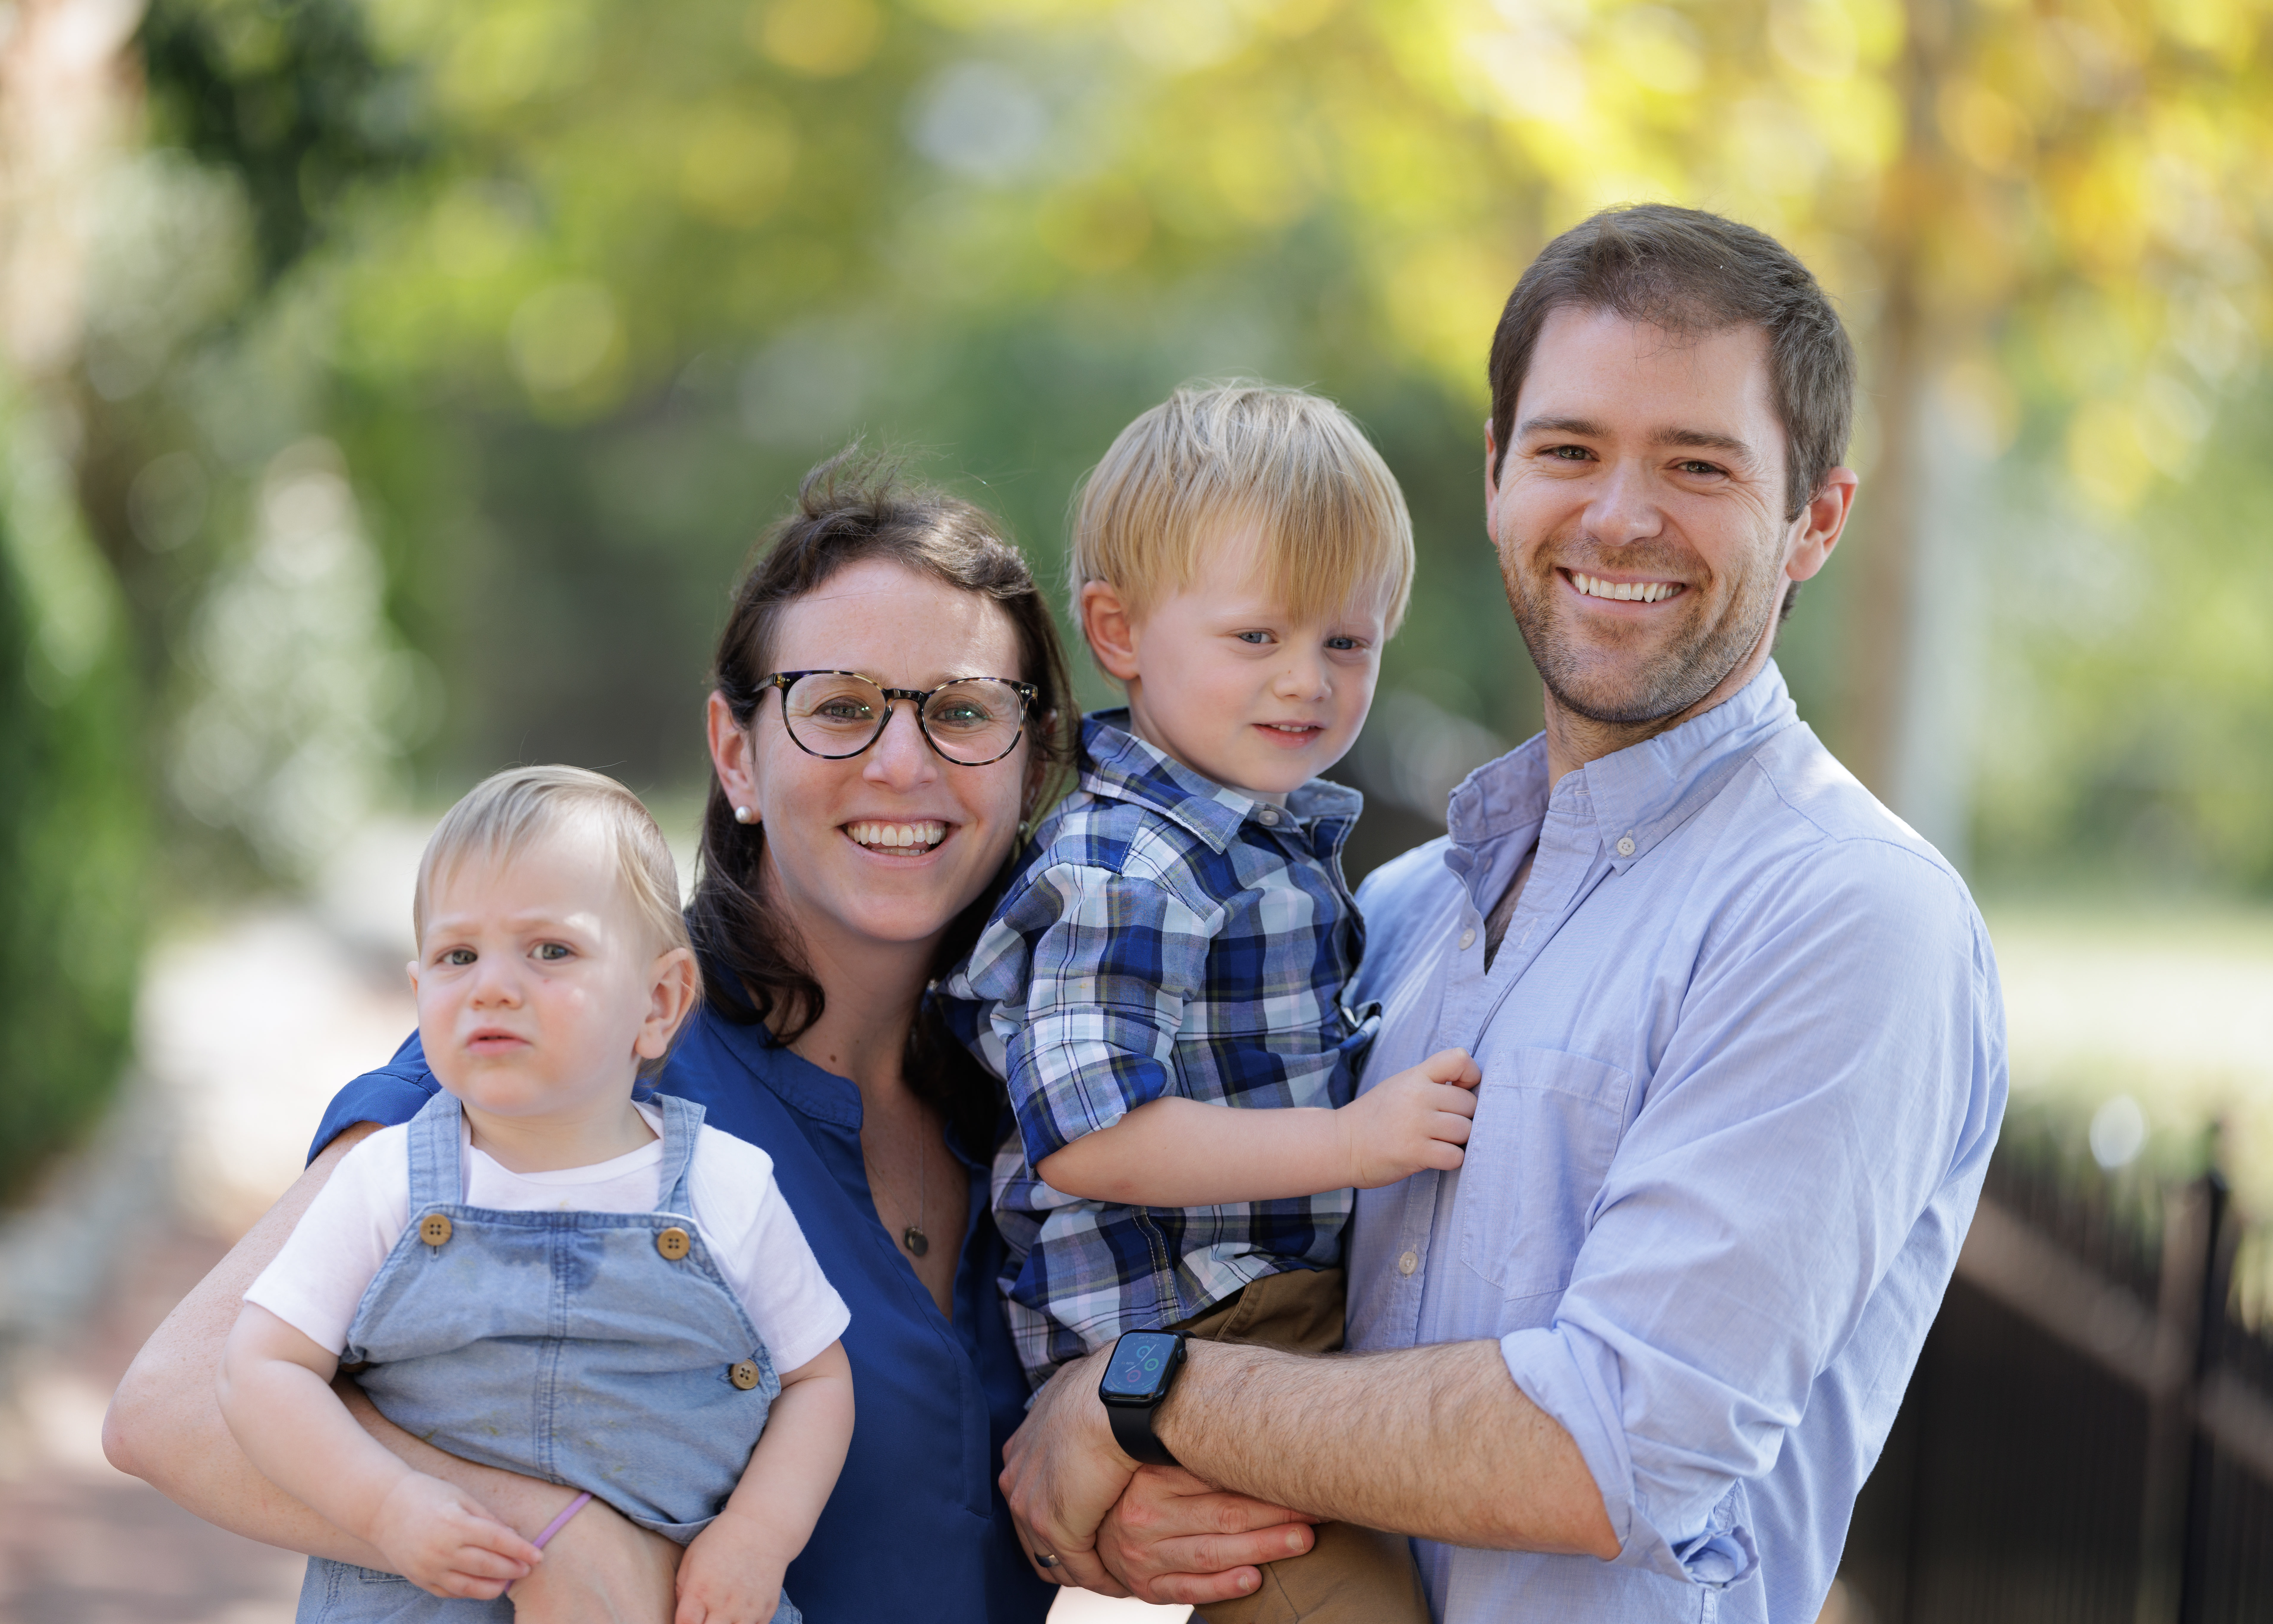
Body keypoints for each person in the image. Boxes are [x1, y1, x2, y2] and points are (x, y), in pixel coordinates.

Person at [999, 204, 2010, 1623]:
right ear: (1493, 476)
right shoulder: (1402, 911)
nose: (1616, 516)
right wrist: (1138, 1512)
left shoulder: (1844, 917)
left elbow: (1609, 1444)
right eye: (1568, 450)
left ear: (1814, 521)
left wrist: (1140, 1393)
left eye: (1697, 465)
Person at [107, 455, 1316, 1622]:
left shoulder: (1060, 1111)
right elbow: (175, 1405)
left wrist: (1106, 1504)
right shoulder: (569, 1048)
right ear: (736, 753)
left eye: (961, 712)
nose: (903, 761)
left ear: (1031, 763)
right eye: (838, 707)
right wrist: (551, 1537)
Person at [947, 383, 1476, 1623]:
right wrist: (1353, 1143)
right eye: (1258, 638)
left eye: (1346, 643)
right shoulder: (1125, 862)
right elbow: (1093, 1135)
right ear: (1117, 633)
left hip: (1272, 1310)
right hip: (1197, 1320)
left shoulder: (1258, 840)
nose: (1308, 682)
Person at [219, 766, 854, 1623]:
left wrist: (759, 1537)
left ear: (659, 1002)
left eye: (550, 950)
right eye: (458, 955)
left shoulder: (725, 1185)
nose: (492, 984)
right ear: (420, 993)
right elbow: (261, 1368)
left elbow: (820, 1381)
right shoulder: (389, 1180)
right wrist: (385, 1503)